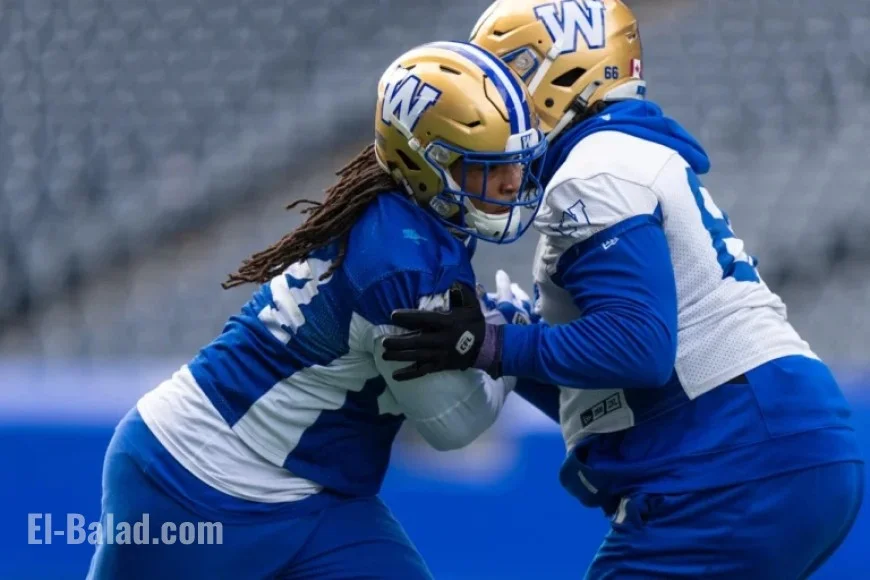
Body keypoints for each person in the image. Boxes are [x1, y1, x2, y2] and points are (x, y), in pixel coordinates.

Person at [381, 2, 865, 578]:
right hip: (769, 439)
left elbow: (640, 347)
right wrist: (507, 351)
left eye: (507, 74)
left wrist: (488, 346)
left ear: (559, 75)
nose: (494, 100)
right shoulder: (621, 156)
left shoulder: (594, 171)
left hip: (732, 452)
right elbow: (616, 380)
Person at [86, 40, 547, 580]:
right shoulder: (402, 262)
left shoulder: (406, 222)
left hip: (315, 495)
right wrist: (508, 338)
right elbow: (455, 422)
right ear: (429, 163)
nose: (514, 182)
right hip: (196, 482)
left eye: (515, 162)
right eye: (487, 166)